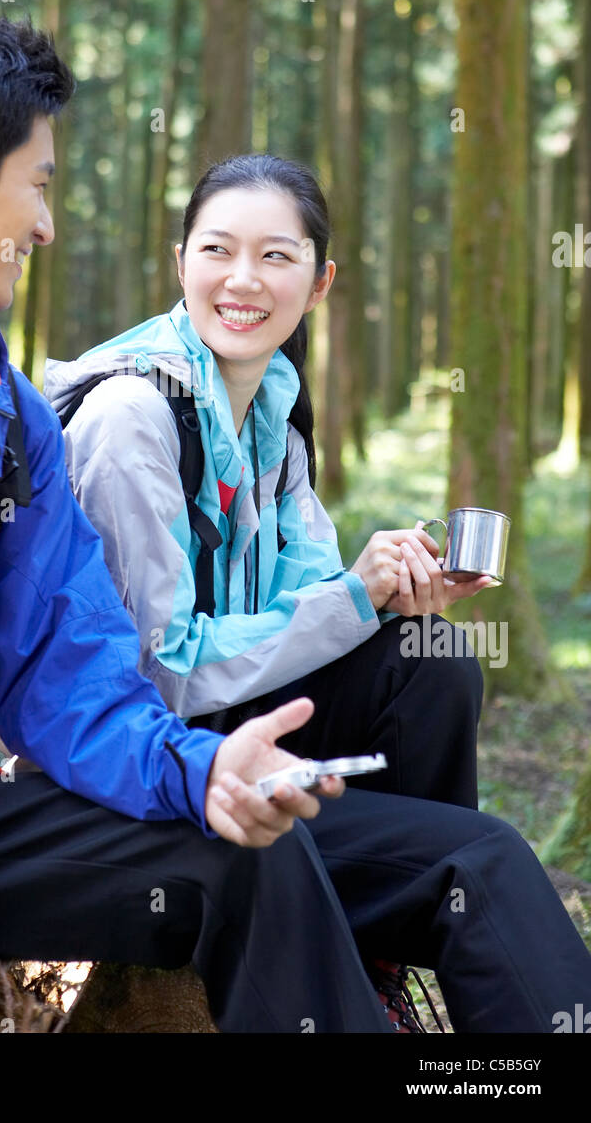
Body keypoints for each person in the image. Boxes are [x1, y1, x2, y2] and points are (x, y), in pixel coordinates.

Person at [0, 3, 424, 1036]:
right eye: (38, 186)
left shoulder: (4, 413)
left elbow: (71, 676)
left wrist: (206, 771)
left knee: (243, 854)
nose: (47, 226)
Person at [45, 152, 591, 1031]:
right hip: (151, 773)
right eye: (218, 250)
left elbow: (314, 609)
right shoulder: (130, 421)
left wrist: (389, 598)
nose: (242, 280)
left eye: (276, 256)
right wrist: (350, 600)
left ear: (320, 280)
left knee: (430, 657)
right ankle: (395, 927)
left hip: (244, 730)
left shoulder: (273, 416)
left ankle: (370, 951)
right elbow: (159, 677)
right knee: (477, 858)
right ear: (178, 260)